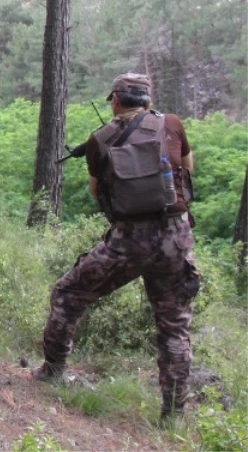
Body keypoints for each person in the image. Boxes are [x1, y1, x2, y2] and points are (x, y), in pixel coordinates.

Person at [33, 73, 200, 423]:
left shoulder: (100, 140)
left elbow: (97, 192)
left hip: (130, 238)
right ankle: (174, 416)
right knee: (174, 325)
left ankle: (53, 371)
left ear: (116, 100)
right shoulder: (171, 123)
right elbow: (187, 167)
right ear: (147, 100)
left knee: (67, 294)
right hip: (176, 237)